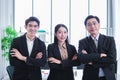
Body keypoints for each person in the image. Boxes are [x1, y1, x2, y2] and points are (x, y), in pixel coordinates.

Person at [77, 15, 117, 80]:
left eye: (94, 23)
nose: (92, 26)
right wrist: (99, 55)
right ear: (86, 27)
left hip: (107, 77)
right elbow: (81, 58)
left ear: (99, 25)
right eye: (89, 24)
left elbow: (112, 59)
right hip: (89, 77)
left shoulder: (110, 40)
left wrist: (92, 61)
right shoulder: (83, 42)